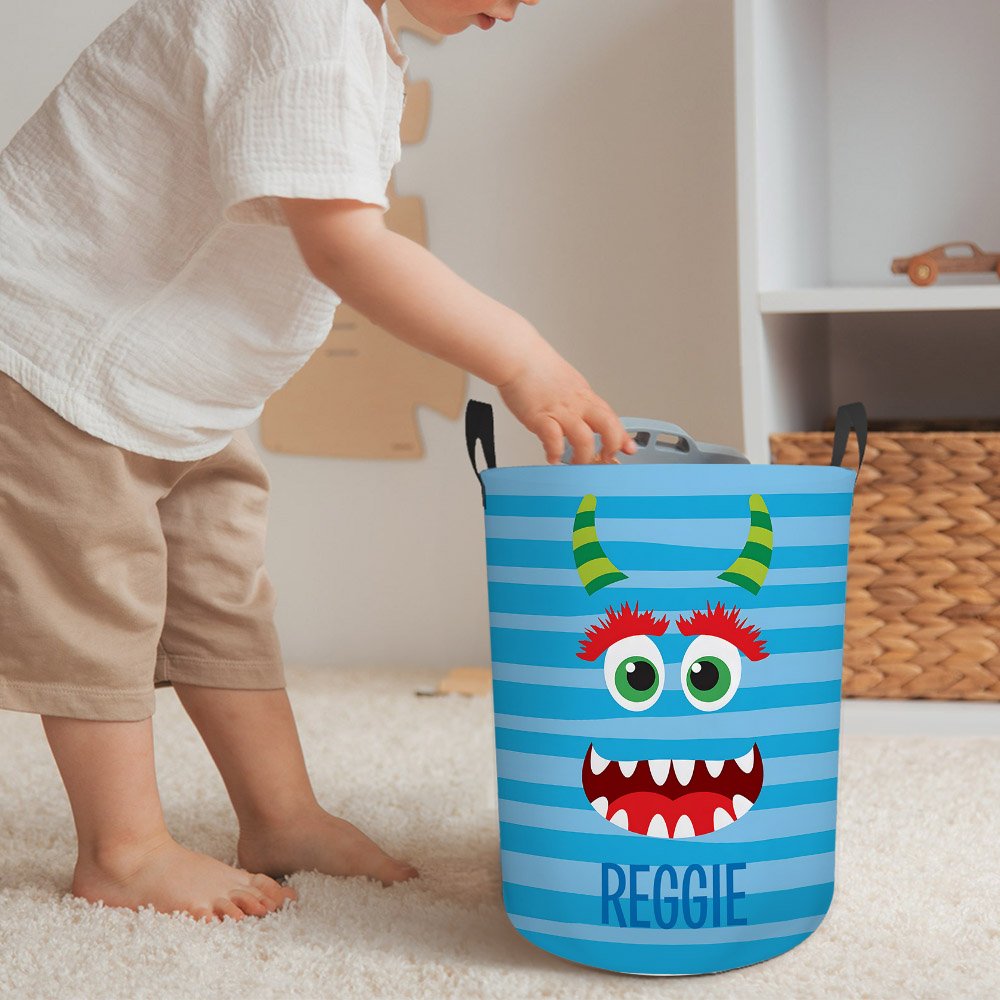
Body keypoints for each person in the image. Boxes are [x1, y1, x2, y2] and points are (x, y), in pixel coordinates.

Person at [0, 0, 638, 924]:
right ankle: (122, 850)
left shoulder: (350, 34)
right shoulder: (306, 21)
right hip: (57, 355)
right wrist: (520, 355)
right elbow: (342, 246)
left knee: (221, 587)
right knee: (96, 591)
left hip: (175, 384)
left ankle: (281, 816)